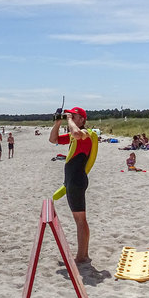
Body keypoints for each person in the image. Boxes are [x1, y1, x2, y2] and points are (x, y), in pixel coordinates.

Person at [50, 107, 93, 263]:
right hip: (71, 180)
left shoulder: (87, 134)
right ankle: (83, 254)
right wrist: (57, 122)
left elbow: (76, 133)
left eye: (74, 116)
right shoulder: (73, 136)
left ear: (82, 120)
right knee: (79, 219)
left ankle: (82, 256)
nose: (71, 118)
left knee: (80, 220)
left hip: (77, 180)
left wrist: (68, 120)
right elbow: (53, 139)